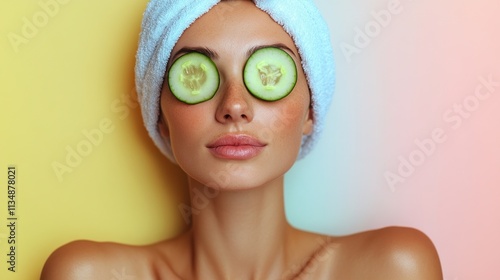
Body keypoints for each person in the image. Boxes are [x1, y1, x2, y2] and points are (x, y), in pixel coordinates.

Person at [41, 0, 443, 279]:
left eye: (269, 74)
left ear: (310, 112)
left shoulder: (393, 268)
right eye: (196, 78)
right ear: (160, 118)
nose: (234, 106)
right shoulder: (85, 274)